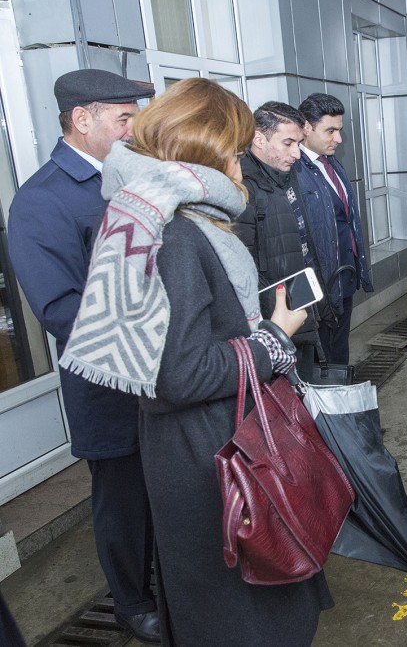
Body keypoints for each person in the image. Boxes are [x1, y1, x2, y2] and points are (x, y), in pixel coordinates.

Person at [58, 77, 332, 645]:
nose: (240, 164)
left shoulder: (170, 212)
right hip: (211, 458)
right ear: (209, 151)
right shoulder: (177, 231)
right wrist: (273, 340)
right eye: (234, 150)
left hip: (202, 447)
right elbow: (181, 374)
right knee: (239, 615)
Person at [7, 69, 160, 643]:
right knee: (122, 499)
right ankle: (131, 600)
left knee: (158, 489)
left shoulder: (130, 178)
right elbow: (60, 309)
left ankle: (160, 581)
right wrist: (154, 335)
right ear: (82, 119)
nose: (133, 128)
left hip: (158, 375)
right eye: (124, 118)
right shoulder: (42, 200)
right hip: (109, 385)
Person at [234, 102, 319, 375]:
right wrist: (273, 319)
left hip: (300, 308)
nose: (296, 153)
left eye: (299, 143)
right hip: (273, 321)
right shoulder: (245, 188)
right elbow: (242, 267)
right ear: (258, 138)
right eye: (288, 143)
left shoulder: (285, 175)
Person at [293, 93, 372, 364]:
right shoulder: (295, 171)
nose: (337, 139)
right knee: (322, 361)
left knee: (339, 353)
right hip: (320, 287)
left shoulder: (332, 164)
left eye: (339, 131)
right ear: (306, 128)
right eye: (330, 131)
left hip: (343, 277)